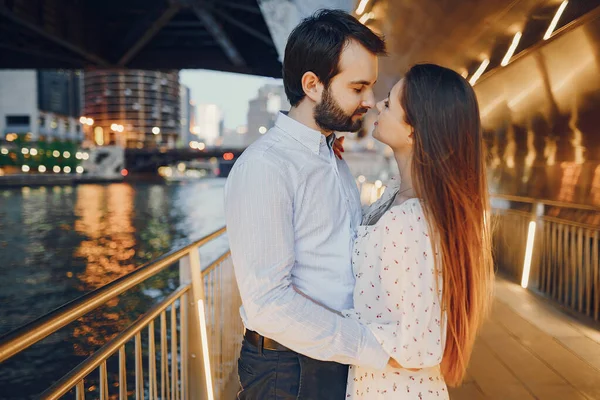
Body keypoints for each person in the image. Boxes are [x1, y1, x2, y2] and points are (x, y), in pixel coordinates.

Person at [224, 9, 391, 400]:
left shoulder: (330, 156)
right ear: (313, 85)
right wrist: (373, 348)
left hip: (331, 354)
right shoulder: (267, 167)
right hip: (290, 371)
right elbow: (267, 304)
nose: (369, 100)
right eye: (357, 87)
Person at [342, 64, 495, 399]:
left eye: (389, 104)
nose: (377, 106)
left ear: (413, 130)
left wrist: (320, 326)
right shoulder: (398, 198)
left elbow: (416, 347)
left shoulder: (409, 218)